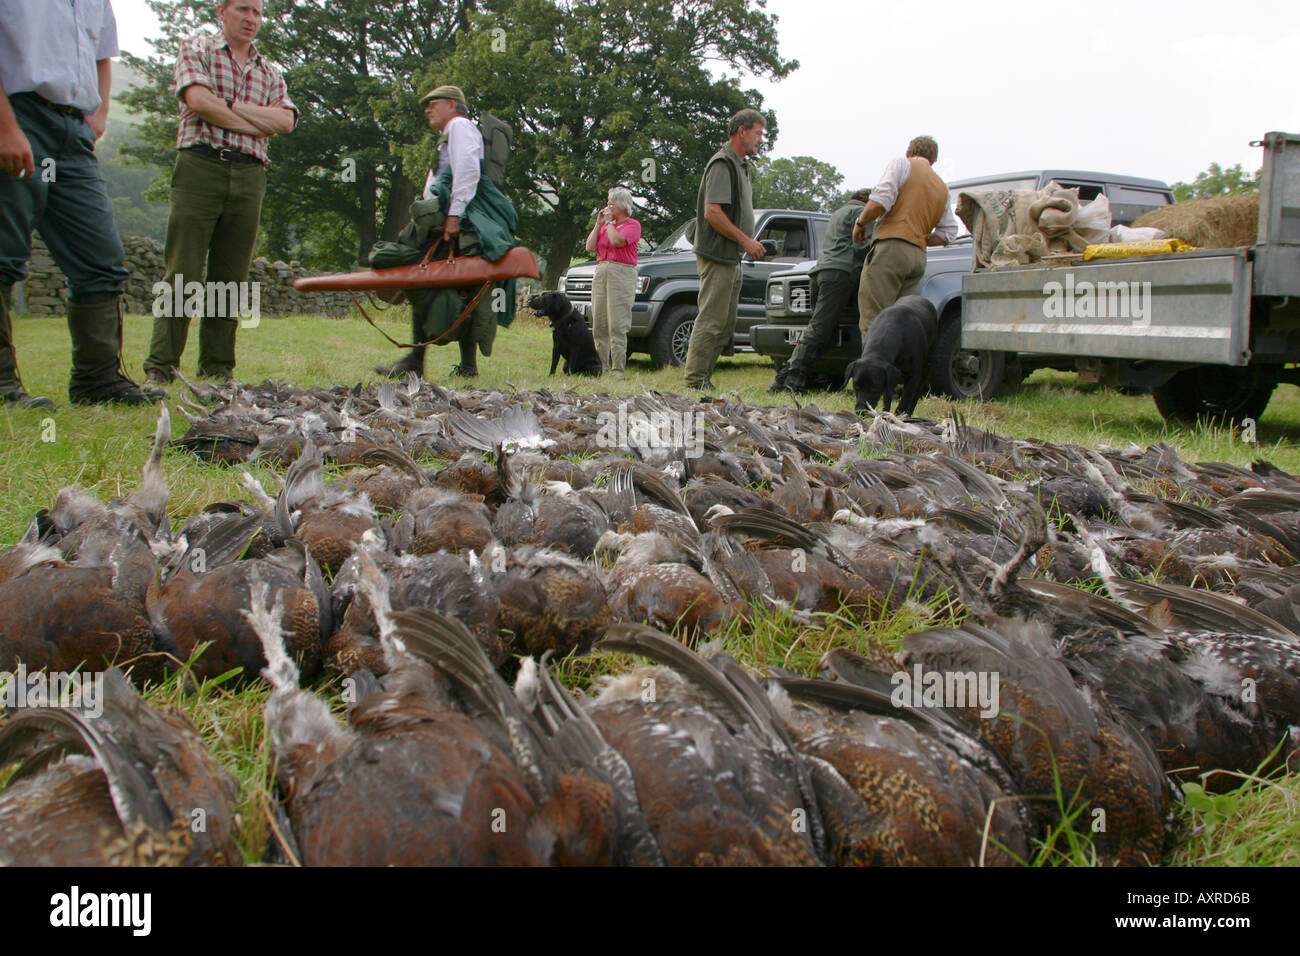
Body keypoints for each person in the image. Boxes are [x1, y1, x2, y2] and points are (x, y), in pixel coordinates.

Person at [0, 0, 162, 408]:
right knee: (4, 254)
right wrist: (4, 127)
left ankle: (97, 380)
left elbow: (102, 54)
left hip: (73, 131)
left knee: (101, 260)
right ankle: (2, 387)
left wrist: (101, 112)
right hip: (18, 112)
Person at [143, 0, 297, 385]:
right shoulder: (197, 49)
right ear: (222, 11)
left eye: (258, 12)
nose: (251, 19)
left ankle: (217, 368)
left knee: (230, 275)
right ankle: (161, 367)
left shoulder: (270, 71)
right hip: (201, 165)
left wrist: (225, 106)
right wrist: (252, 121)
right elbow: (198, 102)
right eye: (243, 9)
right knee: (183, 269)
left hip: (250, 174)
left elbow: (286, 121)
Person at [375, 85, 517, 380]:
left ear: (452, 105)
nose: (427, 109)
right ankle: (457, 365)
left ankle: (424, 361)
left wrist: (453, 216)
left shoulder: (460, 126)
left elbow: (467, 171)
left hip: (461, 223)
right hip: (455, 220)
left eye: (433, 104)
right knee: (459, 287)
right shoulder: (452, 131)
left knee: (429, 281)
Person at [682, 108, 767, 393]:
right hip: (718, 255)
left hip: (732, 258)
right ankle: (695, 382)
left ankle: (703, 378)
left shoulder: (742, 166)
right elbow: (713, 213)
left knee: (726, 322)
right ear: (741, 131)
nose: (760, 140)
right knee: (711, 319)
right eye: (758, 133)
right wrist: (746, 241)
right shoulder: (722, 164)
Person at [852, 135, 959, 337]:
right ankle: (894, 366)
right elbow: (948, 233)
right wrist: (918, 236)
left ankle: (871, 367)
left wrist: (860, 223)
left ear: (909, 152)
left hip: (890, 248)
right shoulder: (942, 187)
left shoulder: (902, 165)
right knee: (898, 320)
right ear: (933, 160)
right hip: (918, 256)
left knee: (874, 318)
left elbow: (880, 201)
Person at [769, 188, 873, 394]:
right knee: (819, 328)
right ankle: (792, 378)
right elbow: (862, 246)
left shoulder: (838, 213)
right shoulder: (862, 213)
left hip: (819, 272)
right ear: (867, 201)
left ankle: (797, 376)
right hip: (841, 273)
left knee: (821, 328)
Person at [585, 186, 641, 377]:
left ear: (623, 206)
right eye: (607, 203)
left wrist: (609, 224)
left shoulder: (633, 225)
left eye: (611, 203)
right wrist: (599, 224)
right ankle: (601, 367)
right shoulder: (605, 226)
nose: (607, 207)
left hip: (621, 272)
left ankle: (618, 370)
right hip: (602, 270)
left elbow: (618, 242)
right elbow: (590, 247)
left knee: (617, 323)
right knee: (599, 321)